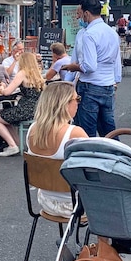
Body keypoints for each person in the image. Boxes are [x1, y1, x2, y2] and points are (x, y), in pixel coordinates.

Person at [25, 82, 88, 216]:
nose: (78, 103)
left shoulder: (32, 129)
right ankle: (102, 237)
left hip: (45, 201)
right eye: (76, 99)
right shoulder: (74, 133)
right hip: (74, 204)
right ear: (64, 104)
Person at [63, 0, 121, 137]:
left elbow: (89, 66)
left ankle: (89, 158)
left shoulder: (89, 34)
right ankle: (116, 156)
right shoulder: (112, 32)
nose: (80, 17)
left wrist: (73, 67)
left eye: (81, 14)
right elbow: (116, 60)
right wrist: (116, 80)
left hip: (90, 87)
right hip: (107, 85)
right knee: (108, 131)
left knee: (86, 133)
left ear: (87, 13)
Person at [0, 52, 45, 157]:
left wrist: (1, 89)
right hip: (36, 109)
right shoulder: (37, 74)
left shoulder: (22, 73)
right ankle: (16, 144)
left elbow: (7, 92)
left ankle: (12, 145)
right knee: (6, 119)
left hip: (24, 109)